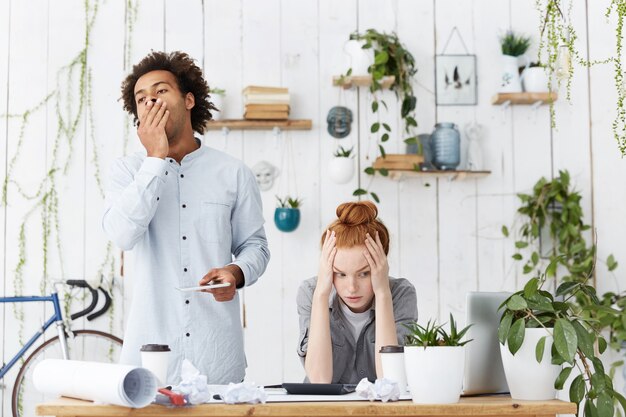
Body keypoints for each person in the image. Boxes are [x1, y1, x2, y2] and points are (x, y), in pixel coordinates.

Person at [102, 51, 270, 384]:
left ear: (189, 99)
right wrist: (155, 160)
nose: (151, 101)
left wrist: (236, 273)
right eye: (141, 98)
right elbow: (122, 235)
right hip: (147, 357)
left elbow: (256, 246)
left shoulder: (233, 173)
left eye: (161, 91)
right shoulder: (127, 172)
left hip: (216, 359)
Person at [296, 201, 417, 384]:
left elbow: (391, 381)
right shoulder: (311, 292)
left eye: (364, 273)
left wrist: (383, 292)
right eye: (340, 274)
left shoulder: (401, 294)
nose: (351, 287)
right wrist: (321, 294)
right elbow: (319, 381)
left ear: (382, 265)